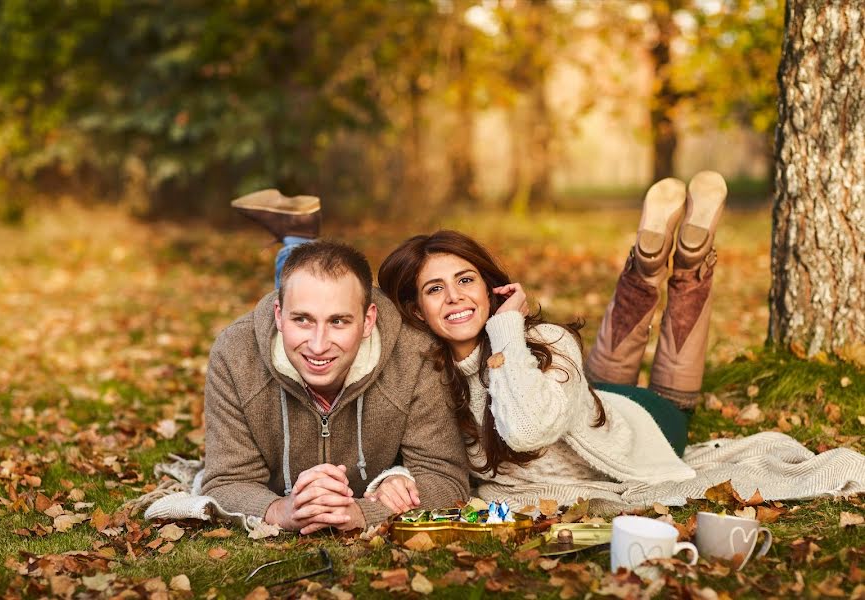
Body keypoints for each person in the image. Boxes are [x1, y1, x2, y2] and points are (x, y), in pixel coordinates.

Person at [371, 172, 727, 511]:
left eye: (465, 280)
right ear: (417, 311)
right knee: (591, 385)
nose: (454, 296)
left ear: (488, 287)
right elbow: (420, 450)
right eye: (435, 289)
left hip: (642, 423)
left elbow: (527, 431)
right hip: (581, 404)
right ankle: (646, 267)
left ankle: (690, 265)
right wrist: (398, 477)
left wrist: (508, 325)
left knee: (674, 397)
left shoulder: (545, 341)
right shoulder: (429, 373)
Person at [200, 238, 470, 533]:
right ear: (278, 315)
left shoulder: (415, 354)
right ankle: (295, 238)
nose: (318, 345)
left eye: (338, 322)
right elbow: (225, 481)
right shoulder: (235, 353)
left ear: (368, 321)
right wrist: (281, 510)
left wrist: (365, 512)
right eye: (302, 319)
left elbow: (446, 479)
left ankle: (298, 237)